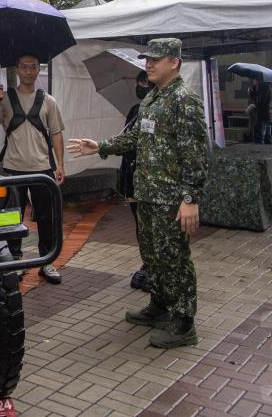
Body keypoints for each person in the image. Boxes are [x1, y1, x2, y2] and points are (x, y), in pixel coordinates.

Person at [68, 38, 208, 348]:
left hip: (170, 199)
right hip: (146, 194)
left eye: (156, 59)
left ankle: (184, 323)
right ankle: (159, 305)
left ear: (174, 62)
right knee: (152, 256)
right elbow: (134, 137)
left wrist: (189, 199)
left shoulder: (184, 100)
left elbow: (197, 156)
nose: (149, 64)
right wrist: (101, 146)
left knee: (175, 259)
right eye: (147, 58)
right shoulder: (152, 99)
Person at [0, 54, 66, 284]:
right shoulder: (6, 98)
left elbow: (57, 133)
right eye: (24, 67)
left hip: (42, 169)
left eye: (32, 67)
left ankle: (46, 261)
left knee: (47, 218)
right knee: (13, 217)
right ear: (17, 69)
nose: (28, 72)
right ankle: (16, 260)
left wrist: (60, 164)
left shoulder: (48, 101)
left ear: (38, 70)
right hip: (13, 167)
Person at [120, 71, 152, 291]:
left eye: (145, 82)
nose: (141, 86)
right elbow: (125, 142)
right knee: (141, 226)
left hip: (150, 181)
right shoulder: (135, 111)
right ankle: (148, 264)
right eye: (138, 82)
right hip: (131, 177)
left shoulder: (161, 111)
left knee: (151, 227)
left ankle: (155, 270)